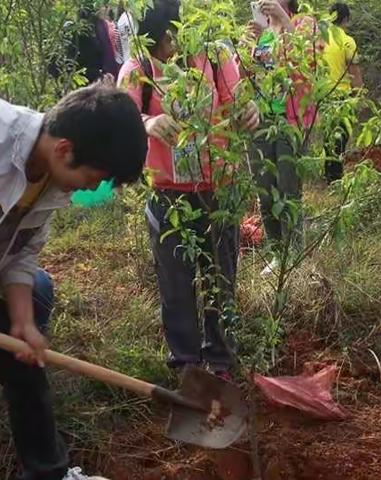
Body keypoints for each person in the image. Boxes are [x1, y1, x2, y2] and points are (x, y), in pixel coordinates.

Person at [0, 84, 147, 480]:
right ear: (65, 149)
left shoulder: (48, 174)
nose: (89, 188)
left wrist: (22, 323)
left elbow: (20, 254)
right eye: (93, 177)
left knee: (37, 294)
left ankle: (45, 472)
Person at [118, 0, 259, 378]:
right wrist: (147, 121)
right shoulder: (138, 69)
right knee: (176, 281)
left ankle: (221, 361)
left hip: (219, 187)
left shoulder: (214, 58)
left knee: (221, 277)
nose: (170, 49)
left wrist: (249, 113)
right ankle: (186, 364)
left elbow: (238, 103)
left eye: (173, 39)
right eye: (161, 42)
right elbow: (121, 116)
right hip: (167, 192)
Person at [248, 0, 320, 275]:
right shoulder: (263, 33)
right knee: (265, 189)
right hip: (262, 121)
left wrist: (283, 20)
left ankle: (294, 254)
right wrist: (248, 45)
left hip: (291, 119)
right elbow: (248, 75)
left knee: (289, 188)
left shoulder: (304, 23)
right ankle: (276, 253)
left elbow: (306, 63)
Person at [323, 2, 363, 183]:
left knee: (328, 137)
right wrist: (359, 94)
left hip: (322, 96)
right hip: (341, 97)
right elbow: (354, 71)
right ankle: (336, 177)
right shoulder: (347, 41)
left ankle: (329, 173)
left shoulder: (319, 39)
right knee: (341, 136)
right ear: (345, 19)